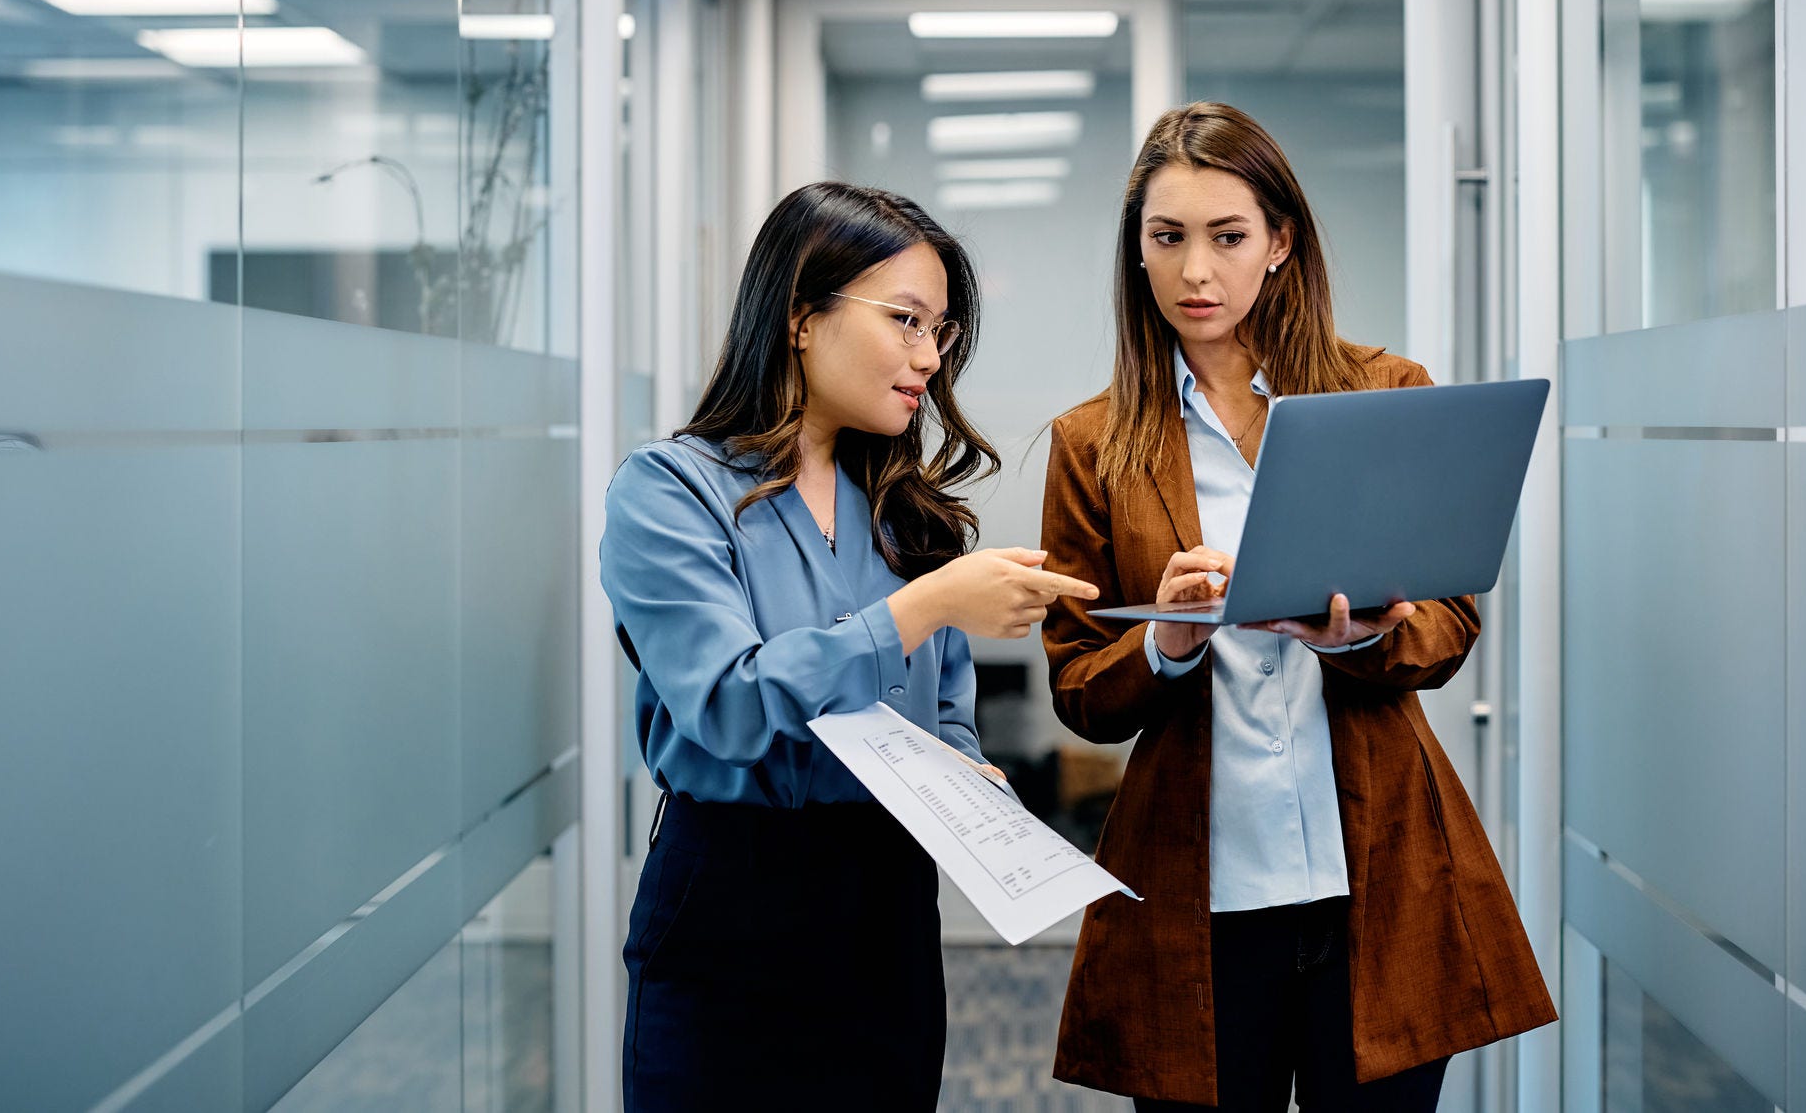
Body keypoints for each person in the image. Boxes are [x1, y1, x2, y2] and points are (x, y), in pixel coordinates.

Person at [1038, 104, 1555, 1111]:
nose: (1196, 272)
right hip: (1198, 891)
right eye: (1166, 237)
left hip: (1378, 882)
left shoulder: (1382, 393)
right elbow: (1077, 687)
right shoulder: (1092, 442)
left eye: (1227, 238)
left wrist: (1361, 631)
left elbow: (1449, 623)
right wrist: (1170, 645)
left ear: (1278, 243)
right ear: (1134, 252)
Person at [600, 181, 1098, 1112]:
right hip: (730, 906)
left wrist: (968, 778)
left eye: (941, 331)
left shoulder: (906, 514)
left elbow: (944, 711)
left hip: (886, 911)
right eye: (907, 320)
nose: (929, 357)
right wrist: (923, 607)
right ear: (799, 314)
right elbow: (729, 704)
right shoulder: (667, 493)